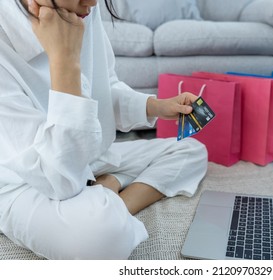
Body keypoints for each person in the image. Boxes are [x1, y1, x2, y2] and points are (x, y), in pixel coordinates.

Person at [0, 0, 208, 259]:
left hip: (84, 154)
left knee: (191, 150)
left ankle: (113, 194)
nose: (94, 2)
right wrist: (65, 61)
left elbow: (103, 88)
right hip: (25, 181)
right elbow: (60, 180)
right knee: (100, 238)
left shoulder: (81, 8)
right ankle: (107, 198)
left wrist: (156, 106)